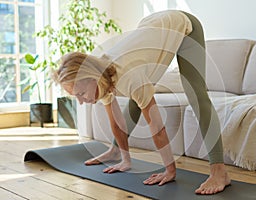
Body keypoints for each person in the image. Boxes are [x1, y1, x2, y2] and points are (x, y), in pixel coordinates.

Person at [54, 10, 231, 195]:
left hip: (182, 25)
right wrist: (123, 157)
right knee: (136, 99)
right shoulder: (103, 79)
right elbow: (116, 123)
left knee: (196, 94)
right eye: (77, 97)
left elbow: (157, 126)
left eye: (81, 93)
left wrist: (170, 170)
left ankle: (220, 172)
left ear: (92, 78)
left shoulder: (129, 76)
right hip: (152, 27)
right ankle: (115, 151)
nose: (82, 102)